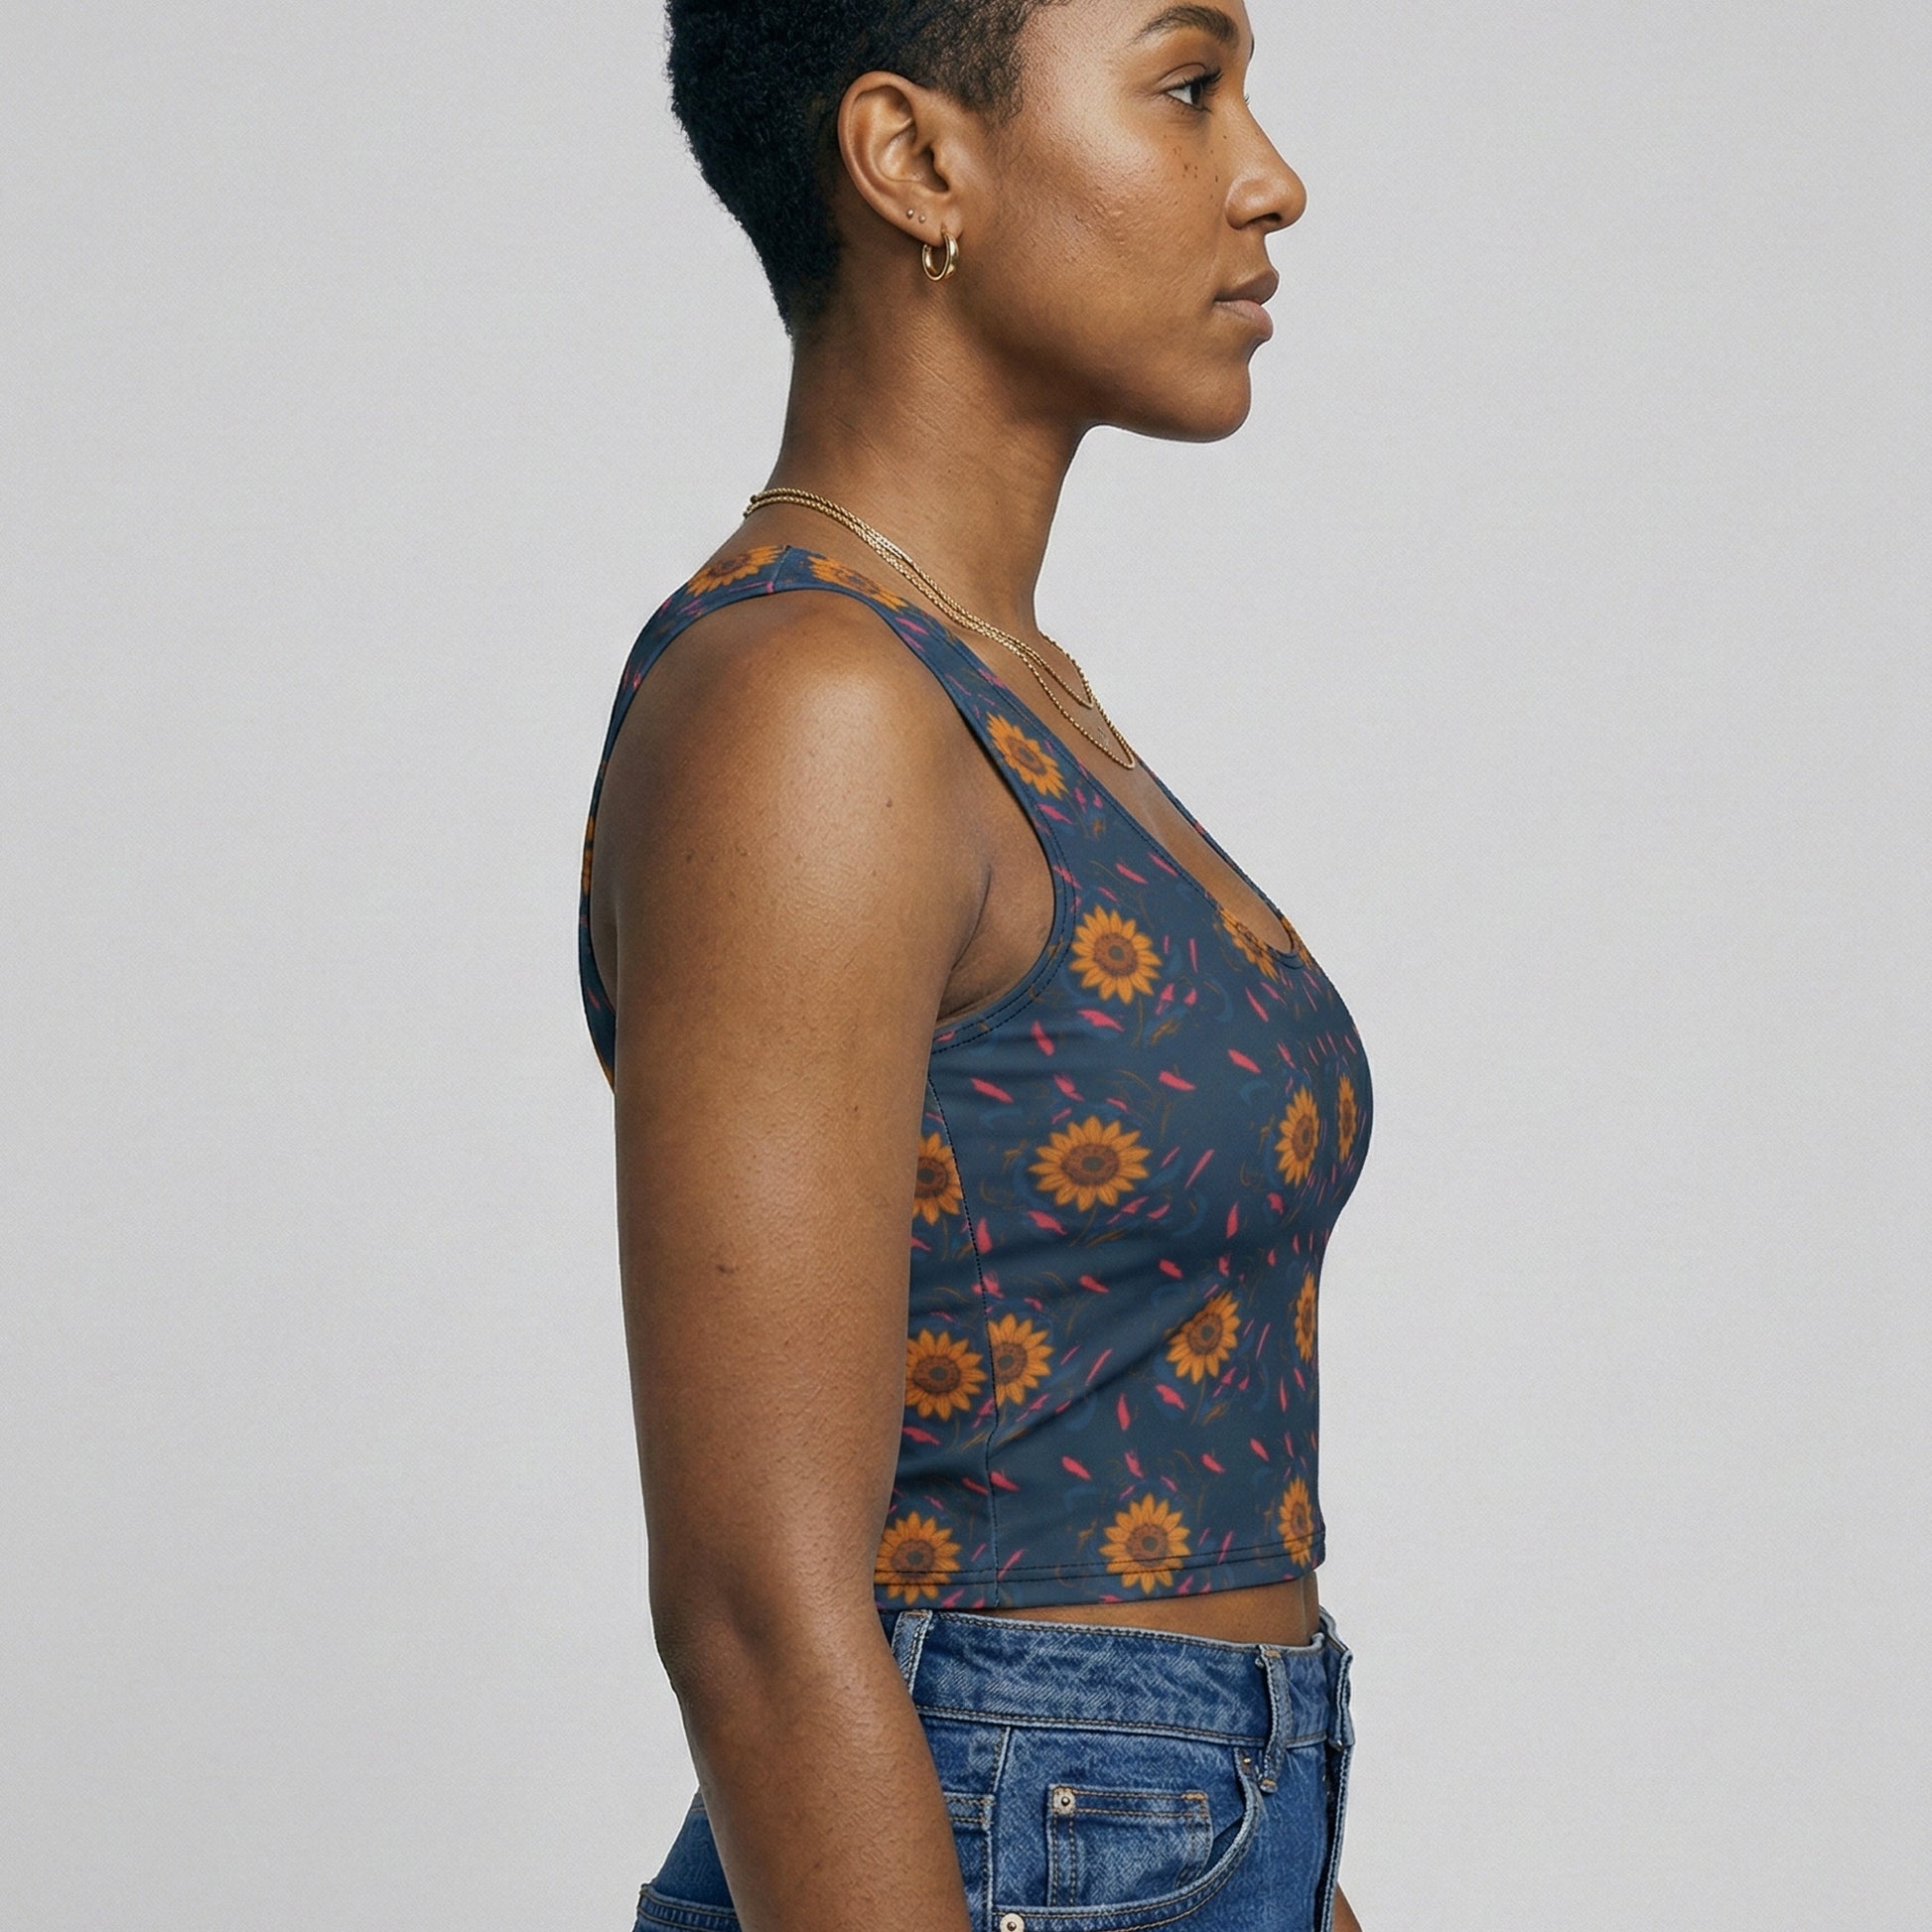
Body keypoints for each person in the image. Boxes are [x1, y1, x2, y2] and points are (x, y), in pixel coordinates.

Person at [579, 4, 1372, 1927]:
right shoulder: (810, 705)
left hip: (1167, 1822)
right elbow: (759, 1607)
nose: (1270, 176)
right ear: (915, 161)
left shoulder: (997, 693)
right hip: (983, 1841)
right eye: (1186, 90)